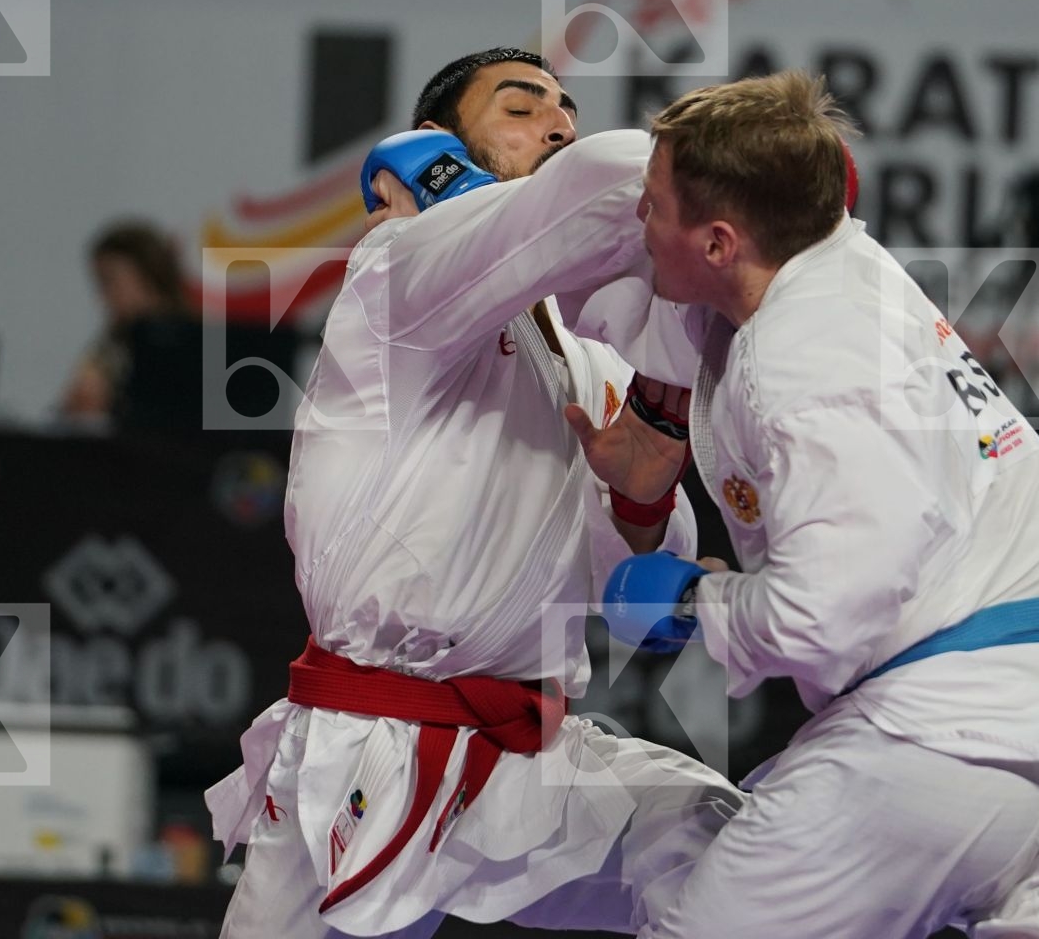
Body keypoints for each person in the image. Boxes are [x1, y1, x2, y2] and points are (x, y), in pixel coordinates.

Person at [575, 70, 1039, 939]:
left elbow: (828, 611)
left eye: (651, 204)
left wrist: (696, 601)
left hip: (946, 743)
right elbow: (664, 308)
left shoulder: (806, 357)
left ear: (719, 241)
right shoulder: (842, 270)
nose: (637, 219)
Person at [206, 47, 741, 939]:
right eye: (521, 109)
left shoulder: (590, 354)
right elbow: (603, 185)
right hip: (374, 737)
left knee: (731, 851)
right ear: (437, 144)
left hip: (525, 751)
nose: (557, 125)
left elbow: (639, 593)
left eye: (566, 112)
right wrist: (745, 168)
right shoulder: (399, 270)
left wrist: (643, 502)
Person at [59, 220, 192, 420]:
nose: (102, 296)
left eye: (109, 280)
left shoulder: (198, 346)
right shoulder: (110, 347)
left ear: (149, 276)